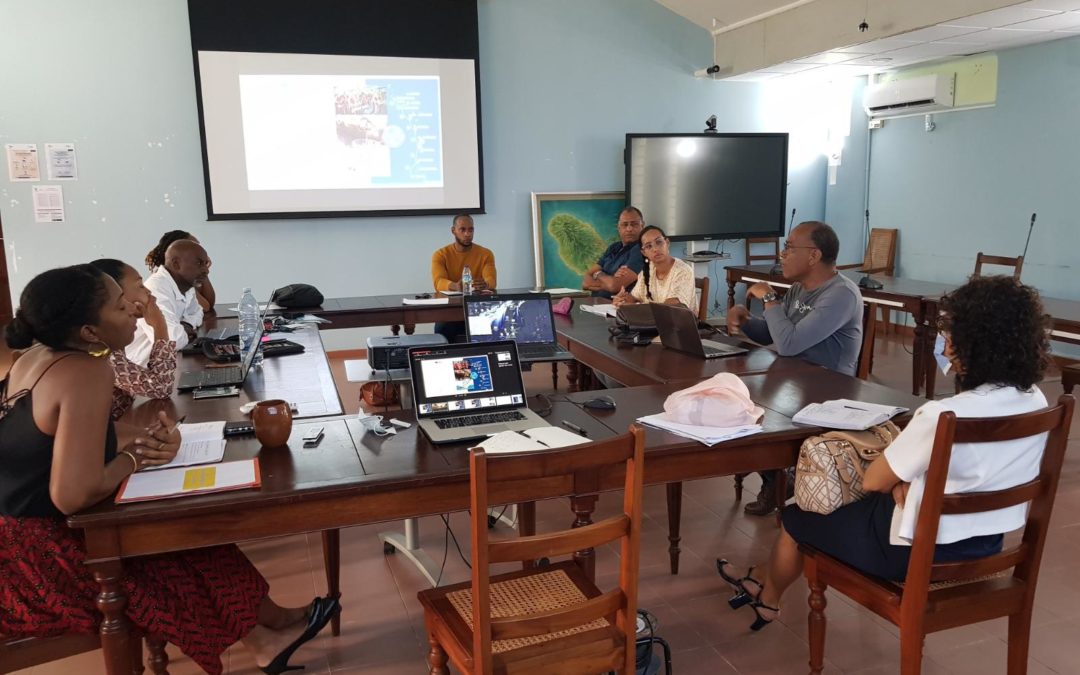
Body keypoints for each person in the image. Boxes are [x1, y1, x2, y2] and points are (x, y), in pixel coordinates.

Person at [0, 265, 339, 675]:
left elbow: (63, 433)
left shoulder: (39, 356)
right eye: (123, 305)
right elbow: (71, 494)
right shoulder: (86, 371)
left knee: (192, 537)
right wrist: (136, 459)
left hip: (20, 532)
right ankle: (266, 637)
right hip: (34, 560)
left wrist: (143, 438)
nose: (137, 309)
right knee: (170, 545)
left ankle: (271, 629)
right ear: (90, 332)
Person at [716, 276, 1050, 631]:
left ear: (973, 344)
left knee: (800, 513)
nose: (946, 343)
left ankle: (769, 600)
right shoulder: (1036, 401)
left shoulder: (941, 415)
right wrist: (903, 484)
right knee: (851, 506)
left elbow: (874, 479)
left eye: (951, 332)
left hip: (916, 551)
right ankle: (763, 581)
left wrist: (896, 482)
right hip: (986, 544)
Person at [727, 221, 864, 516]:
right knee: (742, 404)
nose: (782, 254)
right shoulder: (799, 289)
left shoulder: (841, 294)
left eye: (789, 247)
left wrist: (769, 298)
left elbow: (790, 344)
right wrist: (747, 322)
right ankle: (776, 477)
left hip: (829, 389)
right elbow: (776, 334)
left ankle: (779, 478)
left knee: (759, 415)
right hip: (793, 380)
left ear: (813, 256)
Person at [89, 258, 177, 420]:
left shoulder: (111, 339)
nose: (149, 293)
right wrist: (159, 325)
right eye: (140, 286)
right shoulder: (98, 349)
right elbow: (161, 387)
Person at [126, 239, 210, 366]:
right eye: (199, 263)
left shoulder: (186, 286)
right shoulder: (156, 288)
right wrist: (184, 329)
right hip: (142, 370)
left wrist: (186, 324)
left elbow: (198, 312)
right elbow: (171, 341)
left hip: (168, 363)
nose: (206, 270)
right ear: (176, 264)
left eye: (206, 264)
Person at [431, 214, 497, 342]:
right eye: (462, 229)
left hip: (478, 309)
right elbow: (438, 282)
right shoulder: (440, 255)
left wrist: (485, 285)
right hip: (450, 310)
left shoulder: (485, 254)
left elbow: (492, 280)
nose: (467, 234)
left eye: (471, 230)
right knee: (443, 329)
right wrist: (455, 286)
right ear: (453, 231)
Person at [611, 225, 696, 311]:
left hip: (679, 323)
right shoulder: (648, 269)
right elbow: (634, 297)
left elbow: (673, 307)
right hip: (650, 323)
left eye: (659, 242)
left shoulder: (683, 270)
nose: (655, 249)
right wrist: (622, 301)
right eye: (648, 246)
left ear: (667, 243)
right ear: (644, 253)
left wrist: (636, 306)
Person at [581, 206, 645, 298]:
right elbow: (585, 282)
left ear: (642, 226)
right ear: (618, 227)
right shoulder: (613, 247)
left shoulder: (641, 250)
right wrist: (610, 281)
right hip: (596, 305)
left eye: (634, 224)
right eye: (625, 224)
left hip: (618, 306)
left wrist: (598, 274)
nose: (629, 229)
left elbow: (615, 286)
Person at [145, 229, 216, 312]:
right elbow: (205, 306)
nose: (198, 249)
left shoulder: (189, 274)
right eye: (192, 245)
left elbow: (210, 303)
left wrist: (202, 267)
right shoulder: (167, 277)